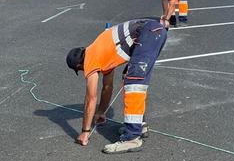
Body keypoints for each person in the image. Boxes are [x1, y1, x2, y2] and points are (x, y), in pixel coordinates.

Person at [66, 19, 167, 154]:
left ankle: (131, 138)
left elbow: (91, 99)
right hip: (153, 32)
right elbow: (107, 87)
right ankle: (139, 126)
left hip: (148, 33)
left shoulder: (89, 59)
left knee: (134, 83)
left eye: (81, 70)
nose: (84, 71)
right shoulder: (99, 53)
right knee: (129, 78)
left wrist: (85, 132)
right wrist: (101, 112)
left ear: (79, 65)